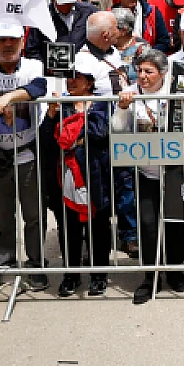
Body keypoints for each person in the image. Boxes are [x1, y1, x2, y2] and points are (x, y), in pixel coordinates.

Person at [0, 21, 49, 290]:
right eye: (2, 40)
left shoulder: (33, 65)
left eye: (12, 40)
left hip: (27, 151)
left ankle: (36, 264)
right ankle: (5, 263)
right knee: (2, 215)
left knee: (33, 214)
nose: (8, 45)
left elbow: (38, 88)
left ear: (22, 42)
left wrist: (8, 98)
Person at [112, 49, 184, 301]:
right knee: (147, 223)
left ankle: (175, 271)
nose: (143, 76)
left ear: (162, 73)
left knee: (176, 224)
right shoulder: (131, 93)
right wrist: (123, 108)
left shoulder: (176, 91)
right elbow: (117, 128)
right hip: (146, 172)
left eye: (149, 72)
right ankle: (150, 276)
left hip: (175, 173)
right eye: (140, 71)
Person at [47, 56, 114, 297]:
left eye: (77, 77)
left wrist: (76, 123)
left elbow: (100, 132)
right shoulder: (60, 105)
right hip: (66, 175)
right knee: (69, 227)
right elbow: (48, 138)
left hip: (96, 174)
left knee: (98, 226)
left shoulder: (102, 104)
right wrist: (52, 116)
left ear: (89, 82)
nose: (71, 81)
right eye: (69, 77)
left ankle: (99, 275)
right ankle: (71, 274)